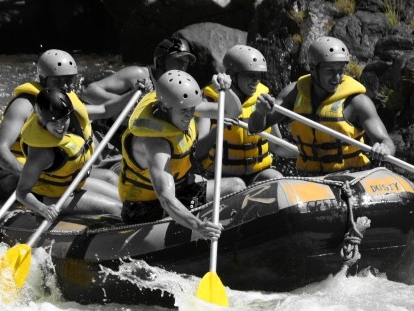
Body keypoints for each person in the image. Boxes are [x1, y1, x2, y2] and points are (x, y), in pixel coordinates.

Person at [118, 70, 246, 240]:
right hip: (144, 207)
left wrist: (227, 90)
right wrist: (198, 225)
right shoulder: (155, 143)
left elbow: (233, 112)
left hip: (179, 190)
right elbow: (166, 198)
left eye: (193, 108)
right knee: (183, 222)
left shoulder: (180, 106)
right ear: (164, 107)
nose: (190, 114)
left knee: (236, 186)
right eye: (184, 110)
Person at [0, 49, 123, 203]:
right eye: (58, 80)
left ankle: (139, 209)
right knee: (114, 202)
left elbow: (104, 110)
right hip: (17, 177)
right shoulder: (24, 104)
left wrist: (136, 94)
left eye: (69, 79)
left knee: (109, 177)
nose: (65, 86)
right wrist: (29, 175)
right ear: (43, 79)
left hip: (52, 173)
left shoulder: (63, 101)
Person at [248, 36, 396, 175]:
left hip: (350, 176)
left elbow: (387, 141)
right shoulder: (294, 93)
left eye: (340, 71)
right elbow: (255, 127)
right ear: (313, 69)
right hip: (308, 176)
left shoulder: (358, 102)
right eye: (330, 71)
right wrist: (260, 112)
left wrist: (384, 148)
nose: (337, 78)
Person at [16, 88, 122, 221]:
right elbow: (21, 192)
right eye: (54, 121)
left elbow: (105, 109)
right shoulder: (41, 153)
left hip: (73, 184)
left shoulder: (73, 123)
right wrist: (42, 208)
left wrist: (135, 91)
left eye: (64, 119)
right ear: (43, 122)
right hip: (53, 198)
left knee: (120, 190)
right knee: (117, 209)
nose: (61, 126)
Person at [80, 37, 198, 154]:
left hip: (141, 146)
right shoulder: (139, 75)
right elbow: (88, 92)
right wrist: (127, 104)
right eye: (178, 60)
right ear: (162, 60)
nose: (183, 66)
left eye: (186, 62)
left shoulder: (184, 89)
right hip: (107, 138)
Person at [202, 45, 298, 184]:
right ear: (232, 75)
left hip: (258, 173)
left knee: (276, 179)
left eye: (258, 75)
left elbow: (276, 146)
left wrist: (306, 153)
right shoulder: (210, 100)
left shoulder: (262, 100)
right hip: (222, 177)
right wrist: (217, 129)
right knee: (238, 185)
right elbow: (199, 152)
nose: (256, 81)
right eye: (250, 75)